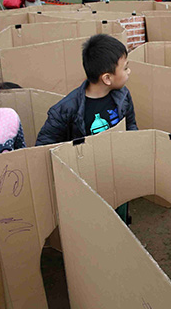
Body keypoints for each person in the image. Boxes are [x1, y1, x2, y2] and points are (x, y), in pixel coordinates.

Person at [35, 34, 136, 223]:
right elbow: (44, 145)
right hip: (86, 179)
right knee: (93, 219)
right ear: (107, 78)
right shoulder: (66, 109)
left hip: (116, 172)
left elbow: (131, 125)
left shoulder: (122, 96)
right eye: (126, 67)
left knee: (119, 213)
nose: (129, 71)